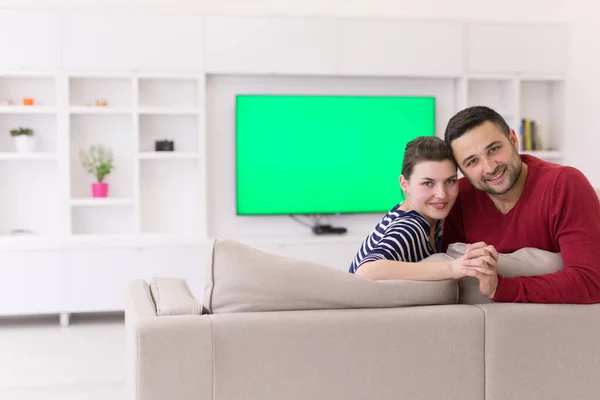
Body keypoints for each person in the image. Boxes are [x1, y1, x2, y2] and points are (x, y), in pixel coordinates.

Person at [442, 105, 600, 304]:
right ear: (461, 171)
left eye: (494, 149)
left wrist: (501, 288)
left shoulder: (565, 184)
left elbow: (591, 282)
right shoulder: (458, 198)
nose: (490, 168)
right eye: (472, 162)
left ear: (514, 140)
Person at [349, 136, 496, 281]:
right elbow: (366, 271)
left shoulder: (432, 218)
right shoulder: (409, 226)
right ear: (404, 184)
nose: (442, 194)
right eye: (428, 183)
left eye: (450, 181)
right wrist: (452, 268)